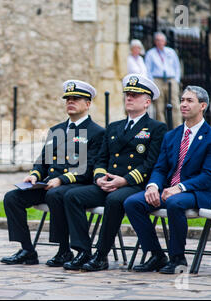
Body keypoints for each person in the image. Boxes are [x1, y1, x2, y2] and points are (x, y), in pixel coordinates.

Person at [62, 74, 167, 271]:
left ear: (147, 102)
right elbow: (101, 159)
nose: (129, 97)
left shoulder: (156, 128)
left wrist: (124, 180)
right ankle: (83, 251)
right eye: (127, 94)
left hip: (135, 184)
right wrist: (100, 177)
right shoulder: (114, 127)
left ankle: (101, 256)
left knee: (115, 200)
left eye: (135, 95)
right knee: (72, 196)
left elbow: (151, 164)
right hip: (109, 182)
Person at [0, 80, 105, 266]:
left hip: (75, 184)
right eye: (68, 99)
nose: (70, 102)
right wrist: (34, 175)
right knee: (12, 197)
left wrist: (62, 179)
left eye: (76, 99)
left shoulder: (96, 132)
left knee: (56, 194)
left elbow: (89, 167)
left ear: (88, 104)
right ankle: (27, 250)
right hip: (49, 184)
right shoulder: (56, 130)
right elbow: (43, 161)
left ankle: (64, 250)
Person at [124, 86, 211, 274]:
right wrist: (153, 186)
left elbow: (208, 177)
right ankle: (156, 255)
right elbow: (160, 168)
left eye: (189, 101)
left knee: (174, 201)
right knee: (132, 202)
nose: (183, 104)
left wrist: (179, 187)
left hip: (197, 192)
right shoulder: (171, 136)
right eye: (182, 100)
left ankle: (177, 258)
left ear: (202, 106)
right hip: (168, 190)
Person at [145, 32, 182, 127]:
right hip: (158, 80)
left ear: (165, 41)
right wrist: (152, 82)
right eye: (157, 40)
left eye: (161, 40)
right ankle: (162, 128)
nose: (159, 42)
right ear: (155, 41)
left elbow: (177, 67)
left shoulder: (171, 52)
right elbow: (148, 69)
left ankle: (177, 127)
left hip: (171, 79)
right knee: (159, 106)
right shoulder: (150, 53)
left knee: (175, 104)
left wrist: (176, 80)